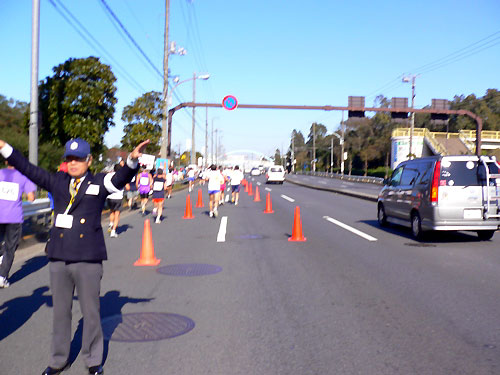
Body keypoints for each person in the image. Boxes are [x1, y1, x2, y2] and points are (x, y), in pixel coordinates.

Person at [0, 137, 149, 375]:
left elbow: (121, 178)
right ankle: (58, 359)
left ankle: (93, 360)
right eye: (69, 159)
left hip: (88, 258)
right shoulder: (57, 181)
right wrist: (5, 148)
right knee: (61, 312)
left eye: (78, 159)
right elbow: (28, 168)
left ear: (89, 161)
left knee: (91, 312)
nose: (73, 163)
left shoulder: (99, 182)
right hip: (59, 257)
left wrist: (132, 160)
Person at [0, 160, 36, 288]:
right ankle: (2, 276)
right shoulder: (23, 176)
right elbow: (31, 198)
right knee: (11, 247)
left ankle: (1, 257)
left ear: (6, 161)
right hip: (13, 217)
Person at [106, 164, 124, 238]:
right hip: (118, 197)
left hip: (109, 196)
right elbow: (127, 186)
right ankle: (113, 231)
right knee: (117, 214)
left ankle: (110, 224)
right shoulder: (122, 176)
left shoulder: (108, 175)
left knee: (111, 211)